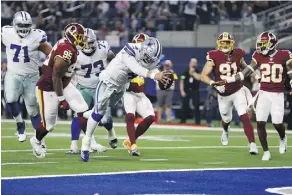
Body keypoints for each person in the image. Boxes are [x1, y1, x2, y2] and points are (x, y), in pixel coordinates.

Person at [80, 37, 170, 162]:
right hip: (107, 82)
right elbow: (136, 69)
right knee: (99, 113)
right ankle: (86, 143)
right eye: (148, 57)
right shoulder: (130, 49)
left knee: (103, 109)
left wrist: (162, 76)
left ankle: (91, 113)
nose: (148, 60)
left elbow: (152, 68)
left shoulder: (150, 56)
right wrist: (154, 75)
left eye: (151, 59)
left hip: (121, 87)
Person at [222, 31, 292, 160]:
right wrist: (229, 80)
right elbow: (246, 72)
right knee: (260, 123)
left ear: (272, 44)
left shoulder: (284, 55)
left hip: (277, 94)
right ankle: (266, 151)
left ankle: (282, 137)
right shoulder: (258, 56)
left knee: (277, 123)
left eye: (264, 44)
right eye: (260, 44)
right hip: (264, 92)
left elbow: (290, 73)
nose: (261, 47)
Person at [30, 23, 90, 158]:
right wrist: (62, 99)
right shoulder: (66, 50)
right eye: (80, 37)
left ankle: (88, 142)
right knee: (49, 126)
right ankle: (36, 140)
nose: (83, 40)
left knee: (82, 109)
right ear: (72, 36)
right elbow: (55, 76)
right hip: (48, 86)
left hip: (62, 83)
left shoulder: (69, 46)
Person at [200, 32, 258, 155]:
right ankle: (226, 130)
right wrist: (214, 84)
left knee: (244, 115)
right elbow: (203, 76)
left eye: (227, 42)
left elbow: (245, 67)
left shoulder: (238, 54)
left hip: (238, 90)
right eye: (223, 42)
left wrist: (256, 76)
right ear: (219, 44)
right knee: (226, 119)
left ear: (232, 44)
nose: (225, 45)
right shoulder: (214, 55)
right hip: (223, 94)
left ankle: (252, 144)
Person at [1, 11, 52, 143]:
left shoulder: (37, 35)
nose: (24, 27)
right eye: (21, 24)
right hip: (13, 74)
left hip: (31, 77)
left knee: (33, 110)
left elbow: (50, 52)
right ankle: (20, 124)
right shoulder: (6, 32)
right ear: (14, 24)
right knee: (10, 99)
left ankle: (39, 140)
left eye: (27, 24)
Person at [67, 28, 117, 154]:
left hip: (101, 87)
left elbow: (115, 60)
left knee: (105, 119)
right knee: (78, 115)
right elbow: (68, 73)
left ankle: (111, 132)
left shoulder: (103, 48)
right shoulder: (75, 53)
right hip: (83, 87)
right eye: (86, 43)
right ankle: (74, 145)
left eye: (91, 43)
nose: (88, 46)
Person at [122, 33, 157, 156]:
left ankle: (130, 141)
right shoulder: (127, 57)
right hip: (127, 92)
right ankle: (133, 144)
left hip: (140, 94)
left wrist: (163, 78)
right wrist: (128, 85)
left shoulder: (148, 60)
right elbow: (118, 76)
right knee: (130, 116)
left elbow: (155, 72)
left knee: (150, 117)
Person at [180, 58, 201, 124]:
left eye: (195, 62)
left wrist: (193, 73)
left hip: (195, 90)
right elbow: (181, 81)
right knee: (184, 105)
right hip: (186, 90)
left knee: (196, 105)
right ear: (190, 63)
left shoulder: (198, 71)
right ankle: (183, 120)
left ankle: (197, 121)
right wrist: (182, 91)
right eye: (192, 62)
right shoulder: (185, 72)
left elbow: (199, 78)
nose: (193, 64)